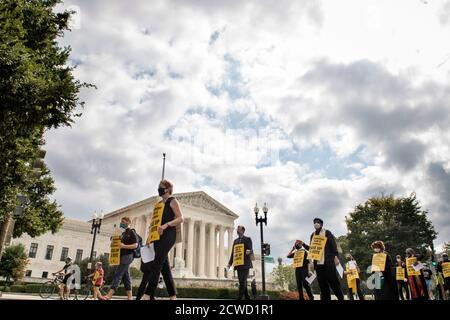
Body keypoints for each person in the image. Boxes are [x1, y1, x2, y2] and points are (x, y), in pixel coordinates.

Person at [139, 179, 183, 300]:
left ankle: (147, 295)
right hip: (158, 237)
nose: (159, 188)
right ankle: (173, 296)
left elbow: (180, 218)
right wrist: (149, 237)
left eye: (161, 187)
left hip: (169, 234)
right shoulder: (159, 205)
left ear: (168, 189)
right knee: (165, 268)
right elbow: (154, 223)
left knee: (157, 264)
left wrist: (166, 225)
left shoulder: (172, 201)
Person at [308, 218, 344, 301]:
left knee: (333, 283)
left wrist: (335, 257)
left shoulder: (327, 232)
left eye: (318, 222)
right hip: (318, 264)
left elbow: (333, 245)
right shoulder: (312, 235)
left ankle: (341, 298)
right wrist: (311, 263)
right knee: (322, 285)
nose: (316, 224)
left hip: (328, 262)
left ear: (321, 224)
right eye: (314, 222)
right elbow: (311, 248)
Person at [105, 216, 138, 300]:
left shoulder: (131, 232)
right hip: (122, 256)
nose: (121, 223)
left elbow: (135, 245)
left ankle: (108, 295)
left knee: (118, 274)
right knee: (126, 277)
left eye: (123, 222)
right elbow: (118, 245)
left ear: (128, 222)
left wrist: (124, 246)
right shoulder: (123, 234)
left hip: (128, 256)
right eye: (121, 222)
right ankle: (130, 297)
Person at [227, 225, 253, 300]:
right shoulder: (235, 241)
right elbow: (233, 253)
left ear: (242, 231)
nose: (237, 231)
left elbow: (251, 250)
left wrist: (249, 251)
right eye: (237, 229)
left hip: (245, 264)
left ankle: (239, 297)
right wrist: (229, 264)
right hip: (238, 264)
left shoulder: (248, 239)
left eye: (239, 229)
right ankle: (247, 297)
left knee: (242, 281)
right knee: (242, 281)